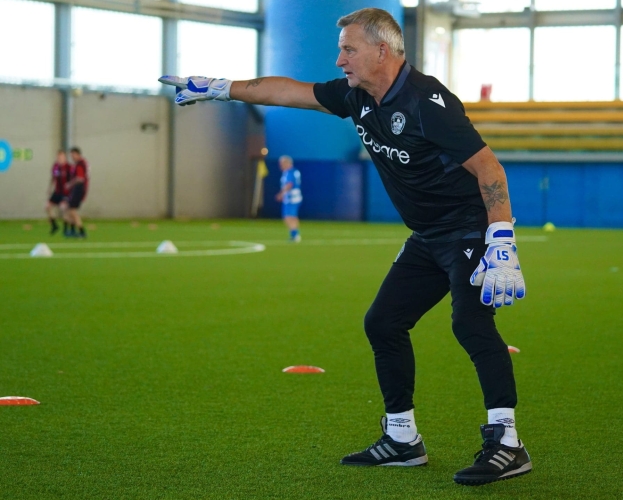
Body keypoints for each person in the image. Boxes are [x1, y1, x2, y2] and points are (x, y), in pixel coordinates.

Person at [160, 7, 530, 486]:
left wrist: (501, 238)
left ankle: (508, 443)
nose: (339, 61)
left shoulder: (428, 101)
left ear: (382, 50)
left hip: (467, 229)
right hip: (427, 235)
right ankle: (402, 439)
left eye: (348, 49)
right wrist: (218, 87)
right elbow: (288, 91)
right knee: (383, 322)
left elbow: (490, 170)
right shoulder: (356, 97)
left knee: (470, 322)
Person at [275, 155, 302, 242]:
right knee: (292, 216)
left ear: (287, 163)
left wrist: (281, 194)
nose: (281, 165)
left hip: (291, 198)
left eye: (282, 163)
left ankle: (295, 235)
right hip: (294, 197)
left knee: (287, 216)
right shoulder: (294, 171)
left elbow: (289, 184)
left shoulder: (290, 172)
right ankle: (295, 234)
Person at [65, 147, 89, 238]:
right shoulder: (82, 163)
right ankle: (72, 230)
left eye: (73, 155)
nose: (72, 157)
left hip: (79, 189)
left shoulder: (80, 164)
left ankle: (82, 231)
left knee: (72, 210)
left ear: (78, 154)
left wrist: (69, 184)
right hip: (78, 189)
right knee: (71, 209)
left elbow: (80, 178)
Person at [46, 150, 71, 235]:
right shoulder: (56, 166)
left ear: (64, 157)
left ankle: (65, 229)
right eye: (58, 157)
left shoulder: (68, 167)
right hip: (57, 191)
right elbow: (53, 177)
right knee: (47, 206)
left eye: (61, 157)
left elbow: (72, 179)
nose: (59, 158)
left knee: (63, 208)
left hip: (65, 192)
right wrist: (50, 188)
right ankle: (54, 225)